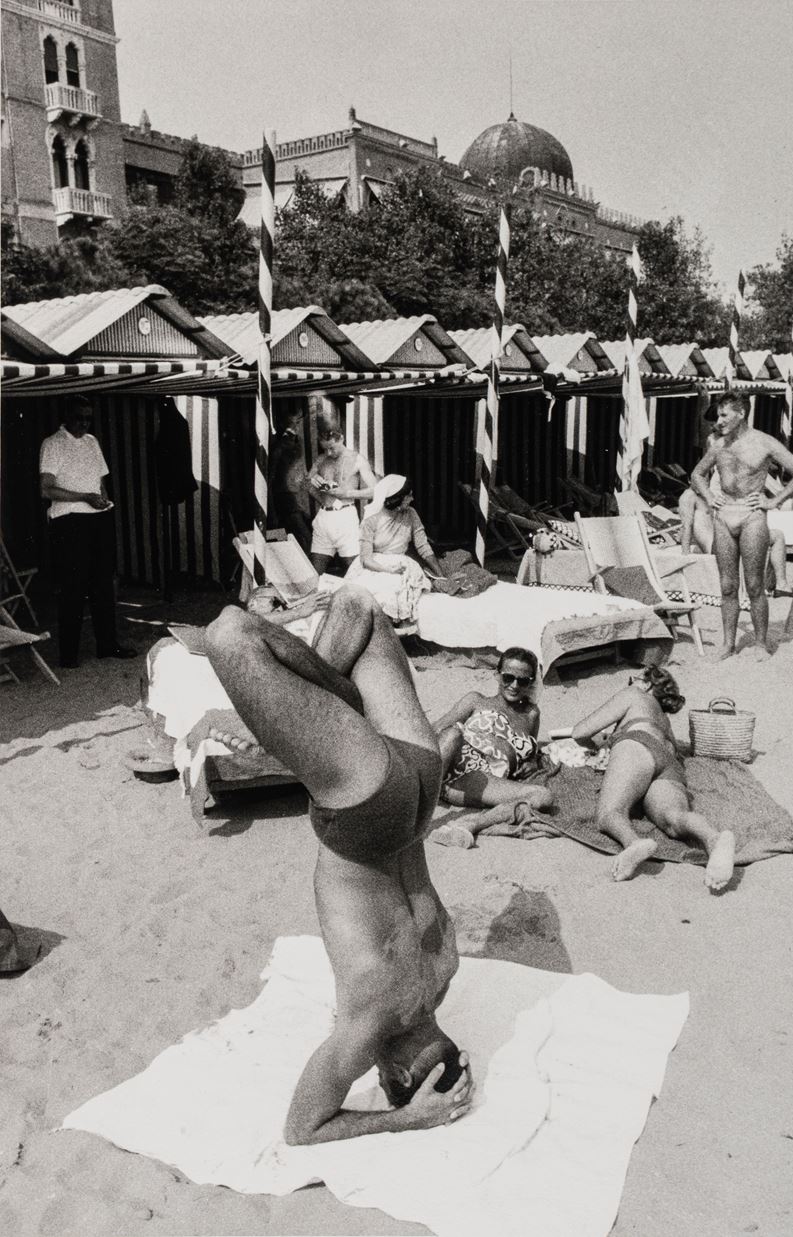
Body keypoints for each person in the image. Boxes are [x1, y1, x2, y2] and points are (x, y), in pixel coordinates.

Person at [204, 586, 474, 1143]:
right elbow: (302, 1130)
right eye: (385, 1078)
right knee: (229, 634)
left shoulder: (445, 970)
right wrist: (408, 1117)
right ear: (398, 1074)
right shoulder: (371, 1023)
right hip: (366, 804)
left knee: (359, 606)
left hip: (421, 784)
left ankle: (333, 702)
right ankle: (322, 706)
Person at [571, 666, 735, 890]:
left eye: (633, 679)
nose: (630, 684)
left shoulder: (634, 694)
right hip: (669, 763)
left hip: (638, 746)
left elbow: (580, 732)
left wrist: (599, 748)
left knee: (609, 813)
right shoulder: (664, 720)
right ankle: (714, 838)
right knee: (674, 819)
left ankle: (634, 842)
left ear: (647, 684)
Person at [690, 392, 793, 659]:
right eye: (718, 416)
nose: (719, 421)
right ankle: (728, 644)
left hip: (752, 517)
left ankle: (761, 644)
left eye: (724, 415)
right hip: (723, 517)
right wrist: (709, 497)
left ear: (741, 414)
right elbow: (697, 474)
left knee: (754, 586)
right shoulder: (718, 445)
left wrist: (773, 501)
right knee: (727, 586)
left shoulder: (764, 442)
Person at [39, 397, 136, 668]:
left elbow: (100, 481)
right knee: (73, 589)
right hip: (69, 523)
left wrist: (102, 500)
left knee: (103, 585)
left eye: (88, 418)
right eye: (79, 418)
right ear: (67, 417)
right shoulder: (53, 444)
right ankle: (68, 656)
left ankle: (107, 645)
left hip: (98, 520)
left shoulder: (93, 442)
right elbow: (46, 489)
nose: (84, 423)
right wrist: (84, 497)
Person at [428, 648, 554, 847]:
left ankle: (470, 824)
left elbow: (531, 751)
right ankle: (416, 809)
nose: (514, 685)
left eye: (522, 681)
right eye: (508, 677)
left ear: (531, 683)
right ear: (497, 675)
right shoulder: (476, 700)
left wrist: (532, 762)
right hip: (447, 764)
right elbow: (436, 729)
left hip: (480, 780)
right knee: (452, 734)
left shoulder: (531, 715)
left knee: (542, 796)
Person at [345, 474, 443, 623]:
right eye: (409, 496)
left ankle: (397, 630)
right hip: (375, 567)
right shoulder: (371, 520)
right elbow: (365, 560)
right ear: (397, 499)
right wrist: (389, 570)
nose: (412, 499)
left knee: (399, 590)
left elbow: (423, 546)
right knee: (373, 596)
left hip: (401, 564)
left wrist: (441, 575)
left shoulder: (411, 514)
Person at [307, 426, 376, 575]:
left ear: (341, 439)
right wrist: (315, 482)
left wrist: (346, 493)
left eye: (332, 448)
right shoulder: (321, 459)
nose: (328, 453)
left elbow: (375, 490)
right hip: (324, 518)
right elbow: (308, 485)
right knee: (315, 571)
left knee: (354, 568)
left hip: (345, 517)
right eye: (325, 449)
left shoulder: (357, 459)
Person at [270, 408, 313, 557]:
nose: (298, 425)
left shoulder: (296, 442)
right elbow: (272, 476)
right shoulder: (280, 445)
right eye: (296, 422)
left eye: (298, 422)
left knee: (298, 535)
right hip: (286, 497)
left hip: (296, 496)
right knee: (303, 535)